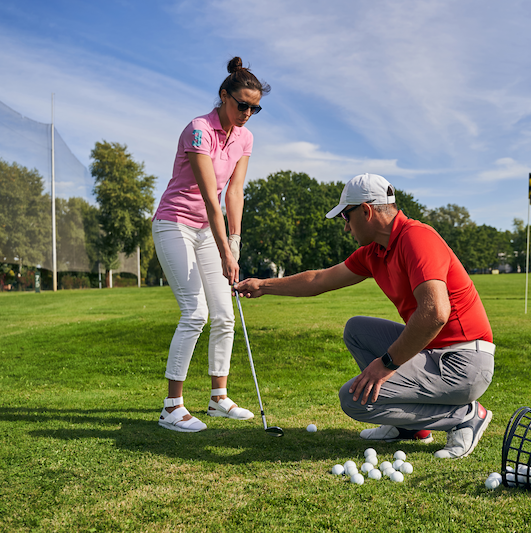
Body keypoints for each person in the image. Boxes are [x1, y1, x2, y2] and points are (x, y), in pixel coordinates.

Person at [235, 173, 495, 458]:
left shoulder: (417, 238)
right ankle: (408, 428)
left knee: (355, 400)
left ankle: (465, 416)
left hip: (464, 362)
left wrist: (386, 364)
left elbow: (435, 313)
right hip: (434, 353)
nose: (346, 228)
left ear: (366, 211)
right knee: (357, 329)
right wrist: (263, 286)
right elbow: (318, 280)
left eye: (346, 218)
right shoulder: (374, 253)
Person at [152, 57, 270, 432]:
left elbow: (234, 192)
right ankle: (172, 406)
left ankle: (218, 398)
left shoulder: (245, 137)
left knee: (224, 314)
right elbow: (209, 197)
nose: (248, 113)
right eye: (242, 105)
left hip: (209, 230)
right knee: (195, 312)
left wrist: (233, 242)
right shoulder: (198, 130)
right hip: (175, 224)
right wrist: (225, 250)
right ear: (224, 96)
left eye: (255, 108)